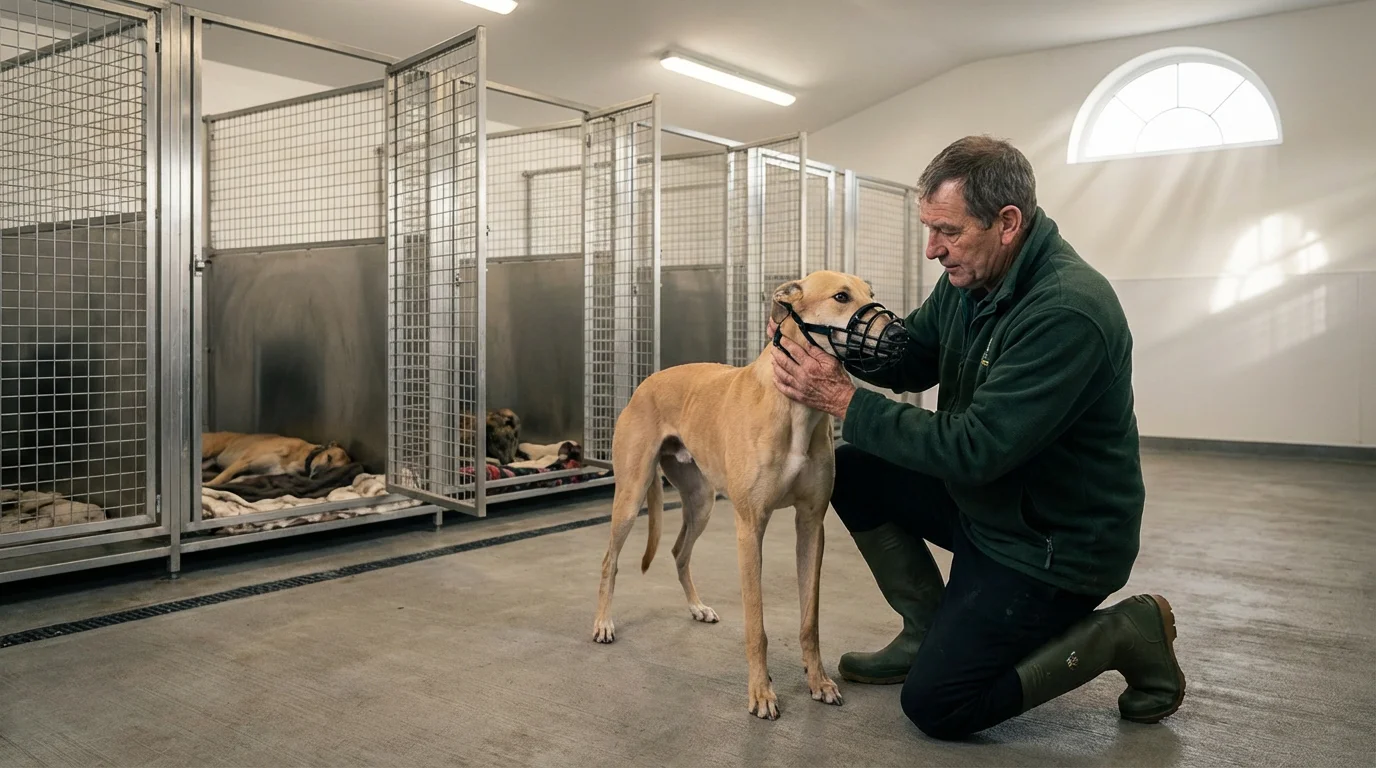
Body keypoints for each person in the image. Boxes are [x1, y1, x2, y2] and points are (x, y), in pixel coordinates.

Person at [767, 135, 1185, 739]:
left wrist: (842, 398)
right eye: (929, 228)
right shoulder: (974, 278)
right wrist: (832, 334)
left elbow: (975, 448)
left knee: (940, 706)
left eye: (948, 231)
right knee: (852, 470)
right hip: (991, 507)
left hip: (1052, 543)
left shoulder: (1066, 311)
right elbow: (912, 357)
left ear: (1007, 222)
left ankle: (1125, 631)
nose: (933, 249)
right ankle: (925, 629)